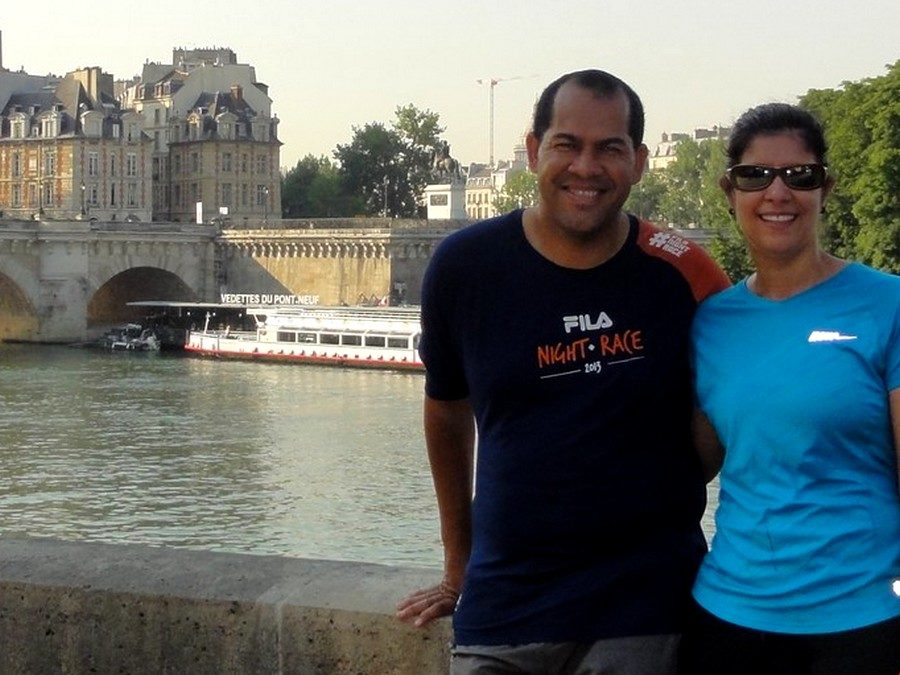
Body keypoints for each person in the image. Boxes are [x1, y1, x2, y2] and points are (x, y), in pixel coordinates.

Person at [396, 69, 729, 674]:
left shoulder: (688, 275)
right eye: (567, 145)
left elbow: (725, 431)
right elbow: (446, 411)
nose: (586, 167)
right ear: (532, 151)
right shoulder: (464, 268)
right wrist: (457, 568)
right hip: (506, 606)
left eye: (610, 148)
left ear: (640, 162)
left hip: (646, 608)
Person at [680, 103, 900, 674]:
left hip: (862, 622)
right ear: (730, 191)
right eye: (756, 176)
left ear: (824, 187)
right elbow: (696, 463)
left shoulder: (887, 306)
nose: (777, 192)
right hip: (728, 617)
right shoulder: (712, 322)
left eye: (798, 175)